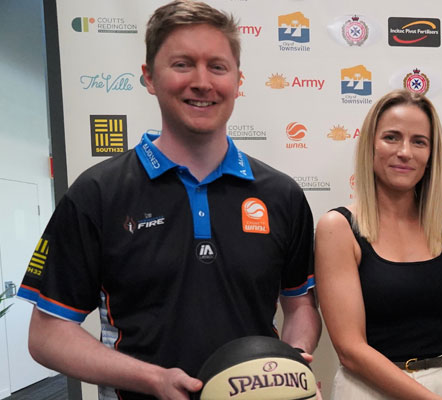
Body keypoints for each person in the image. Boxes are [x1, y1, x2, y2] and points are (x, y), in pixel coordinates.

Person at [17, 1, 321, 399]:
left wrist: (292, 362)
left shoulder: (281, 195)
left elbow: (299, 306)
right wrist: (152, 379)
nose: (202, 82)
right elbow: (47, 334)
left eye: (217, 66)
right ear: (149, 77)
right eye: (182, 64)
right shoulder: (98, 194)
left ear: (238, 80)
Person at [315, 89, 442, 400]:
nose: (405, 152)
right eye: (392, 137)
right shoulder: (338, 228)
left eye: (419, 141)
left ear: (432, 153)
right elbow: (351, 349)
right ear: (370, 145)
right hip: (368, 390)